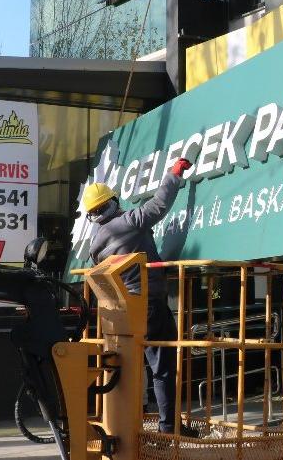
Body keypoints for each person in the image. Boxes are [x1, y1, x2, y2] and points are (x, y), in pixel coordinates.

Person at [82, 156, 197, 436]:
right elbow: (158, 206)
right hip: (149, 305)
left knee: (127, 369)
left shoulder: (95, 246)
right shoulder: (128, 222)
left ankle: (125, 426)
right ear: (113, 203)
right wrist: (174, 173)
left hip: (120, 313)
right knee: (162, 368)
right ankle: (169, 429)